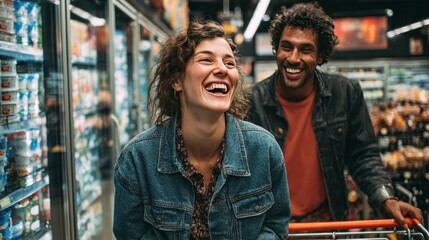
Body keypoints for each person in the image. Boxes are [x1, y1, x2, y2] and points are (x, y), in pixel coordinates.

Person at [247, 2, 423, 230]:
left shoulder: (346, 94)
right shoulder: (253, 101)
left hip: (326, 225)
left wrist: (385, 198)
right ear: (276, 49)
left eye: (306, 50)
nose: (293, 58)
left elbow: (363, 157)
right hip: (270, 228)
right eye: (286, 47)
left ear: (320, 56)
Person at [113, 19, 291, 239]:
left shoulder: (264, 150)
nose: (222, 69)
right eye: (206, 59)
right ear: (177, 80)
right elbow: (130, 235)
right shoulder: (137, 159)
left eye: (229, 63)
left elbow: (275, 225)